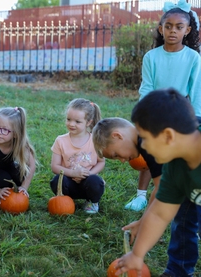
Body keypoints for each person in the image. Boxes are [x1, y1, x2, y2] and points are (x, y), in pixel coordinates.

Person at [93, 117, 200, 276]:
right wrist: (144, 221)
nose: (122, 160)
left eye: (116, 154)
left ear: (118, 136)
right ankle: (178, 272)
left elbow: (160, 194)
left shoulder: (150, 141)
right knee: (184, 219)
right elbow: (161, 192)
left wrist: (144, 222)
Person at [115, 88, 201, 276]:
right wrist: (137, 254)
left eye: (144, 138)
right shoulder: (173, 165)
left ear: (168, 136)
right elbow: (160, 214)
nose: (143, 146)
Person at [125, 0, 201, 212]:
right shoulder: (151, 57)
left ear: (187, 30)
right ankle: (141, 196)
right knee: (149, 155)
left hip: (181, 114)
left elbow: (195, 91)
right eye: (168, 26)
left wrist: (195, 121)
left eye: (178, 27)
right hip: (155, 113)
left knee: (177, 160)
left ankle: (176, 199)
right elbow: (147, 87)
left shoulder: (193, 58)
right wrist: (143, 117)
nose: (173, 31)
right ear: (161, 29)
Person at [49, 98, 105, 214]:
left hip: (87, 182)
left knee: (96, 181)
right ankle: (66, 200)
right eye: (69, 119)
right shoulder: (60, 141)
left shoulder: (95, 140)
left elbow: (101, 162)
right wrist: (72, 173)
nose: (71, 124)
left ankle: (92, 201)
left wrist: (89, 174)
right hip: (69, 182)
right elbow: (55, 166)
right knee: (56, 180)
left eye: (77, 122)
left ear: (88, 122)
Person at [0, 107, 36, 203]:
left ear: (16, 134)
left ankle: (6, 186)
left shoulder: (21, 145)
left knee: (20, 175)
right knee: (4, 181)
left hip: (9, 169)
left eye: (5, 130)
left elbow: (32, 167)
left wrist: (24, 187)